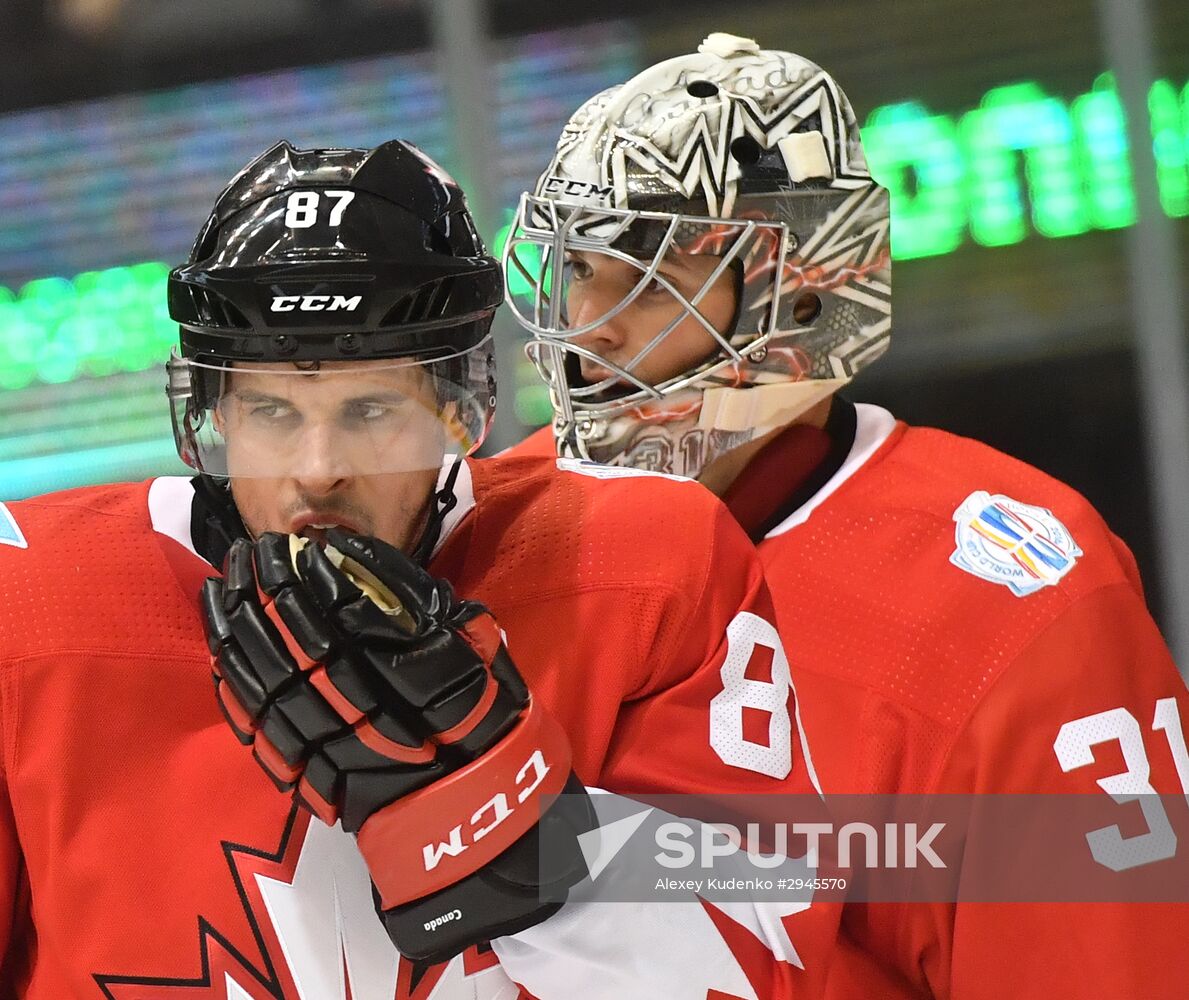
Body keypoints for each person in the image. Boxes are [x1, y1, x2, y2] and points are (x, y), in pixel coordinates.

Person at [0, 138, 856, 998]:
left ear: (456, 407)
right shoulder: (29, 602)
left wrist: (512, 840)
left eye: (369, 408)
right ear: (213, 409)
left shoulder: (641, 567)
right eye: (270, 411)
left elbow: (762, 961)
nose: (317, 467)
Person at [503, 32, 1189, 999]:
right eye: (577, 265)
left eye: (650, 270)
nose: (590, 323)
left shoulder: (1012, 596)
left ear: (805, 286)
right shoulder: (494, 533)